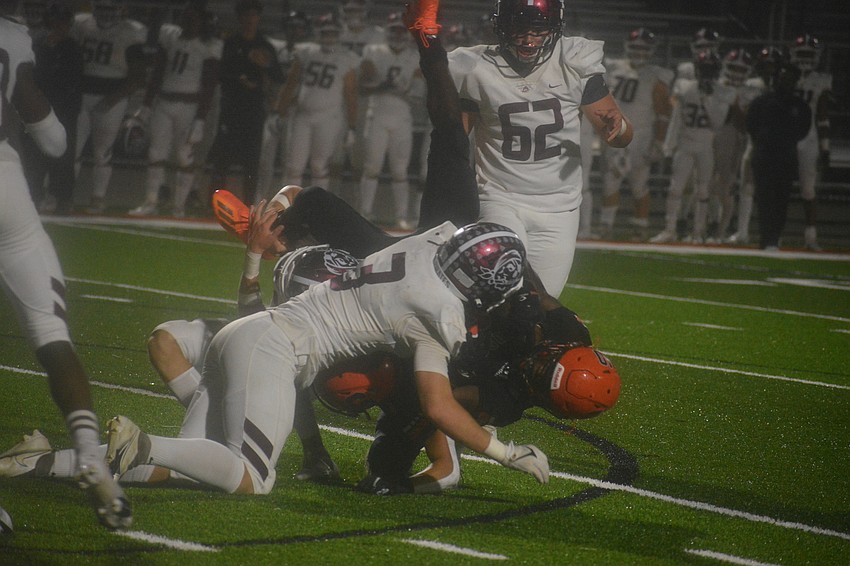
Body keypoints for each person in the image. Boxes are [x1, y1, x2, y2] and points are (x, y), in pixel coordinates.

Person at [104, 220, 548, 495]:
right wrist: (505, 452)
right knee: (251, 479)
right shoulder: (436, 313)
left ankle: (48, 461)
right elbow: (437, 405)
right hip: (275, 348)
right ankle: (145, 444)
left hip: (245, 333)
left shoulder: (427, 246)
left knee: (191, 467)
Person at [0, 1, 131, 529]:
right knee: (53, 335)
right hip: (9, 190)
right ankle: (90, 453)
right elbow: (52, 137)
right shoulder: (13, 33)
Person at [446, 0, 632, 297]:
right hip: (499, 197)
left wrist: (618, 128)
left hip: (560, 206)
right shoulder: (475, 68)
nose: (529, 39)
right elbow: (453, 139)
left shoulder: (573, 62)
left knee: (542, 301)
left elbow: (622, 135)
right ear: (502, 28)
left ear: (555, 28)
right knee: (501, 290)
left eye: (538, 29)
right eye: (520, 29)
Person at [128, 0, 221, 217]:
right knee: (156, 152)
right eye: (185, 17)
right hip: (165, 102)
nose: (188, 22)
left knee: (183, 156)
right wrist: (147, 105)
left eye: (193, 18)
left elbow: (208, 85)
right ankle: (151, 200)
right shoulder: (170, 36)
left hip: (189, 106)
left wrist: (200, 118)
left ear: (201, 21)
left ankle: (179, 206)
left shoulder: (208, 46)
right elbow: (158, 73)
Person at [651, 50, 737, 243]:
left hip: (706, 146)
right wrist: (668, 145)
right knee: (676, 188)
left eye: (709, 69)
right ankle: (670, 229)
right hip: (685, 144)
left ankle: (698, 232)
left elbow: (717, 123)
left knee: (703, 190)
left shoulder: (723, 92)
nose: (706, 73)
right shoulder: (685, 86)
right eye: (703, 69)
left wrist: (709, 99)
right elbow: (676, 118)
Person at [70, 0, 147, 213]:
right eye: (101, 7)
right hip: (83, 94)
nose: (105, 13)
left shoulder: (131, 33)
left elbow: (138, 76)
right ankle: (65, 194)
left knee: (102, 152)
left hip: (111, 96)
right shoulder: (82, 24)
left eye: (110, 8)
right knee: (73, 149)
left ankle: (98, 197)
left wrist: (113, 98)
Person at [597, 28, 672, 241]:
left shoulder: (655, 75)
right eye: (636, 47)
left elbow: (663, 113)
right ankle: (606, 225)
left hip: (641, 135)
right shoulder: (613, 67)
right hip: (615, 133)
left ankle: (640, 226)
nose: (639, 51)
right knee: (610, 180)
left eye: (643, 48)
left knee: (639, 183)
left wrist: (659, 141)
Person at [205, 0, 283, 207]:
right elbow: (222, 72)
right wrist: (239, 78)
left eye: (253, 15)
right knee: (222, 159)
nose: (250, 19)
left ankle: (249, 205)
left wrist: (267, 64)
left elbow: (278, 76)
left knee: (252, 162)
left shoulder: (265, 45)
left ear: (258, 18)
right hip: (231, 107)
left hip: (254, 109)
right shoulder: (231, 43)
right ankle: (216, 204)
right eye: (246, 15)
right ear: (240, 18)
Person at [275, 12, 359, 197]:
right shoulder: (306, 51)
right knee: (294, 166)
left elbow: (350, 94)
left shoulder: (346, 57)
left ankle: (317, 210)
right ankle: (288, 210)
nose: (329, 36)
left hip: (329, 117)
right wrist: (279, 111)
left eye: (332, 32)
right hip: (302, 115)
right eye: (325, 32)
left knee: (319, 166)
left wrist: (352, 126)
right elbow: (291, 82)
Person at [357, 11, 421, 227]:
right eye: (394, 29)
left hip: (402, 116)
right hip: (377, 114)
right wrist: (380, 85)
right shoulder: (374, 51)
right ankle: (365, 213)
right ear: (387, 30)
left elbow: (419, 87)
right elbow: (364, 82)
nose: (397, 34)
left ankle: (401, 216)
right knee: (372, 167)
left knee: (400, 170)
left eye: (401, 30)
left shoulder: (414, 55)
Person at [20, 0, 83, 216]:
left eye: (62, 22)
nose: (59, 26)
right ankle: (34, 198)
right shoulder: (37, 44)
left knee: (63, 159)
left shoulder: (72, 48)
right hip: (39, 110)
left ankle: (63, 199)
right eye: (55, 21)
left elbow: (73, 82)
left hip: (62, 110)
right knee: (33, 159)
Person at [746, 62, 811, 250]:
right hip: (764, 155)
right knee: (764, 198)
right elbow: (751, 125)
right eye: (784, 78)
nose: (786, 82)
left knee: (781, 199)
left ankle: (774, 237)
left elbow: (803, 130)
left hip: (786, 156)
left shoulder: (800, 106)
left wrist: (786, 141)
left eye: (790, 79)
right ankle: (766, 237)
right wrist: (764, 141)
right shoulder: (762, 102)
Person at [789, 34, 833, 251]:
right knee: (779, 188)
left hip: (809, 137)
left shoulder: (820, 80)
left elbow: (823, 115)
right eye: (802, 53)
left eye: (809, 53)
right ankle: (773, 234)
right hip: (785, 136)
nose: (805, 57)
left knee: (808, 189)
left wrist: (825, 147)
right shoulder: (785, 76)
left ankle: (810, 236)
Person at [711, 47, 759, 241]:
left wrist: (735, 103)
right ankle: (706, 225)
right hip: (710, 138)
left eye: (741, 69)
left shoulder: (751, 91)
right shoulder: (715, 85)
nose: (737, 73)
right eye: (733, 68)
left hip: (734, 141)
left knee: (726, 185)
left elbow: (745, 124)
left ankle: (720, 230)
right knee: (705, 185)